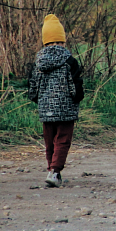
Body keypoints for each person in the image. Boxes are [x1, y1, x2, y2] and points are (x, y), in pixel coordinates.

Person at [28, 14, 84, 188]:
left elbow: (33, 88)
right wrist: (77, 98)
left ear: (45, 41)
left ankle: (50, 169)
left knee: (49, 141)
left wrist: (39, 101)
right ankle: (55, 171)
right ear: (62, 40)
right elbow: (75, 86)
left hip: (46, 109)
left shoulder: (38, 62)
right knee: (62, 140)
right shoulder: (69, 61)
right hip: (66, 109)